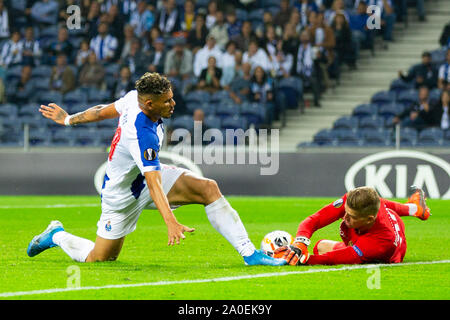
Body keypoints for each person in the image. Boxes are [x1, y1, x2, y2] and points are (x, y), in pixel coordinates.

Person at [31, 72, 286, 266]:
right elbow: (153, 183)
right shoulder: (143, 135)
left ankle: (249, 254)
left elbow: (99, 112)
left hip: (144, 178)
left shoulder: (134, 98)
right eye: (166, 101)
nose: (172, 104)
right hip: (121, 196)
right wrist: (171, 221)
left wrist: (68, 119)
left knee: (208, 188)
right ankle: (57, 235)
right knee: (101, 259)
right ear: (150, 104)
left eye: (172, 97)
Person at [275, 186, 431, 266]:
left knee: (322, 249)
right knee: (319, 245)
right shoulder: (355, 201)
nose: (345, 217)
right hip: (381, 221)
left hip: (389, 250)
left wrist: (303, 259)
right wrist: (300, 242)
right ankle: (417, 209)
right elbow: (314, 220)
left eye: (352, 216)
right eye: (346, 211)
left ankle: (416, 209)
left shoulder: (382, 241)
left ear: (369, 219)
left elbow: (335, 258)